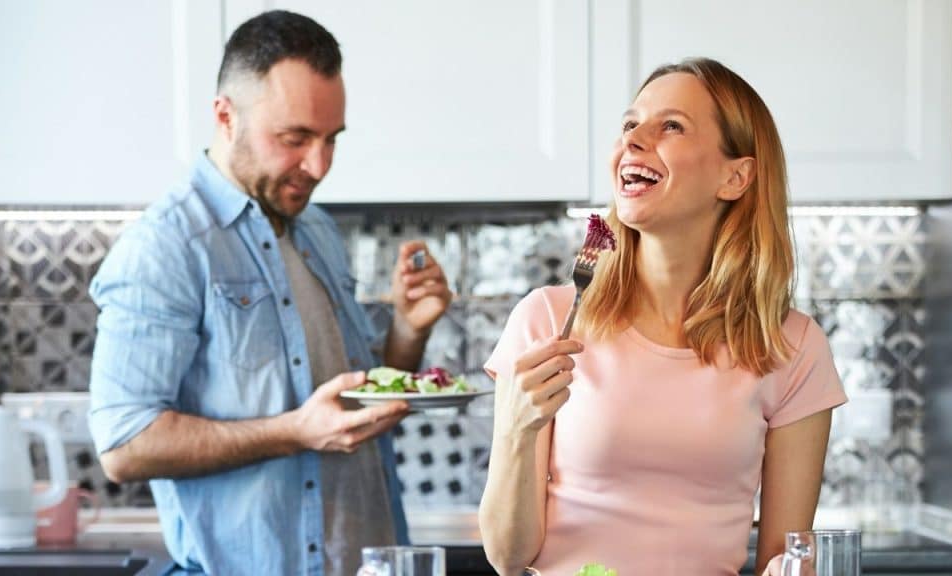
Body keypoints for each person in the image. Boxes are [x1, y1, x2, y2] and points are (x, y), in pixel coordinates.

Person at [87, 10, 452, 575]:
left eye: (332, 139)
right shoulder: (167, 246)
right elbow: (123, 444)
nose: (319, 164)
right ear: (225, 116)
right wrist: (292, 433)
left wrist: (408, 329)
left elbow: (349, 411)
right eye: (295, 138)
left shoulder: (318, 232)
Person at [478, 58, 847, 576]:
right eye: (630, 124)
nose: (633, 140)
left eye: (670, 126)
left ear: (735, 176)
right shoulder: (548, 320)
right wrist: (518, 430)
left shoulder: (790, 345)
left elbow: (784, 561)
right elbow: (505, 556)